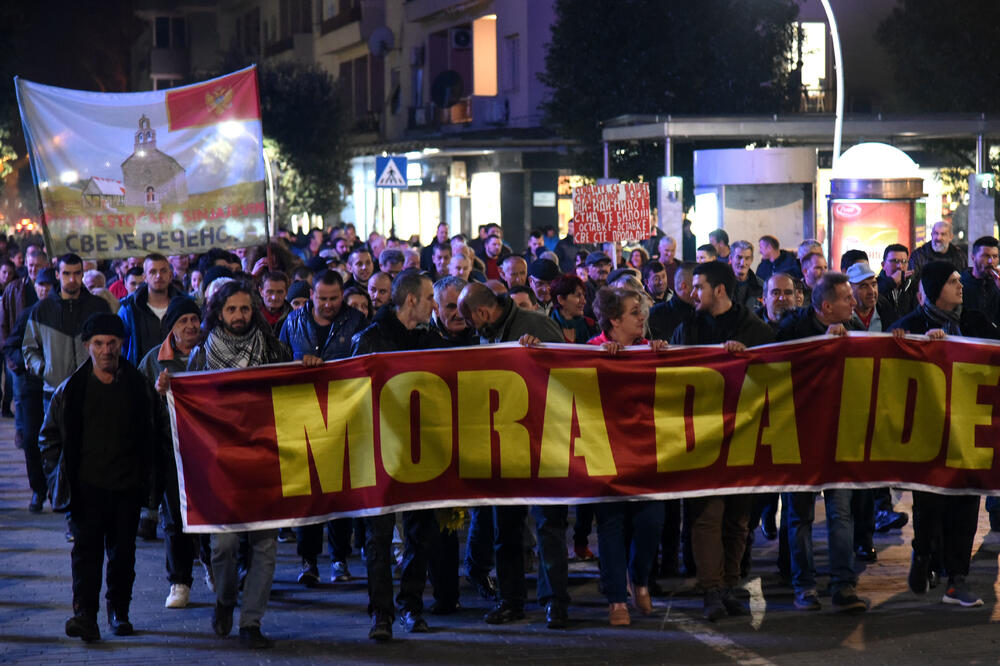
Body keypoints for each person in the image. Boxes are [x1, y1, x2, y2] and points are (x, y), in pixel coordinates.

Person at [40, 313, 168, 643]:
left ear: (121, 344)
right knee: (86, 555)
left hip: (127, 487)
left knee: (123, 555)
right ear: (87, 346)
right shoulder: (71, 390)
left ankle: (119, 611)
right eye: (99, 343)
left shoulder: (138, 387)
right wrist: (58, 478)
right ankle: (85, 615)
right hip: (86, 489)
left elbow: (157, 430)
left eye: (112, 342)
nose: (106, 349)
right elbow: (49, 438)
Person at [179, 280, 293, 648]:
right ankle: (226, 600)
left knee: (265, 545)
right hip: (221, 467)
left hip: (265, 462)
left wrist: (308, 367)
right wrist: (170, 388)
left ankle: (251, 622)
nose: (239, 315)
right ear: (218, 313)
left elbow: (293, 391)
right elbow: (188, 403)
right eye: (231, 309)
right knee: (223, 546)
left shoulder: (274, 350)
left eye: (245, 309)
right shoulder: (202, 355)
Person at [457, 282, 571, 630]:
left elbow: (569, 371)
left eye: (472, 321)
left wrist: (540, 355)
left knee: (548, 525)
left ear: (482, 312)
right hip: (505, 444)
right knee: (505, 528)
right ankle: (511, 600)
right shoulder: (492, 333)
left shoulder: (536, 326)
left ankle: (554, 603)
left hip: (543, 442)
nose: (473, 329)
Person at [670, 261, 774, 621]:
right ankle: (711, 589)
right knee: (706, 516)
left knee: (738, 519)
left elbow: (775, 376)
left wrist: (750, 359)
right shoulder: (687, 328)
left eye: (698, 286)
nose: (691, 292)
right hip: (702, 438)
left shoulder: (756, 330)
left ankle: (729, 585)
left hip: (744, 436)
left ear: (719, 290)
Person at [351, 271, 446, 641]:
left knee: (420, 533)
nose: (434, 305)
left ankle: (411, 605)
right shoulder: (370, 339)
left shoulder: (432, 340)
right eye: (429, 297)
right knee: (378, 535)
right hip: (379, 450)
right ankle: (382, 613)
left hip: (422, 451)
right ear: (411, 300)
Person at [888, 261, 989, 607]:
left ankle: (957, 579)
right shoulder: (910, 325)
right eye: (951, 281)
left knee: (966, 504)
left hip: (966, 433)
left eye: (959, 279)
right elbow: (886, 367)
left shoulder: (974, 321)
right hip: (926, 436)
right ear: (933, 290)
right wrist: (909, 344)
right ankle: (923, 555)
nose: (960, 285)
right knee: (930, 505)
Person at [776, 271, 869, 613]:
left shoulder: (854, 329)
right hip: (797, 437)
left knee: (841, 512)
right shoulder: (791, 329)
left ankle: (843, 585)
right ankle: (804, 586)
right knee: (799, 515)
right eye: (847, 298)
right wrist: (820, 345)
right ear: (827, 307)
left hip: (838, 435)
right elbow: (777, 367)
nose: (854, 302)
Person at [279, 270, 367, 588]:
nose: (328, 304)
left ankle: (339, 557)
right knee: (309, 495)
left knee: (340, 493)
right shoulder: (292, 322)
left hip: (344, 416)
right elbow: (278, 361)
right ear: (311, 295)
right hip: (303, 415)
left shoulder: (356, 321)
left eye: (334, 298)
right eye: (322, 298)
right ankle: (309, 560)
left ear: (342, 295)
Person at [588, 286, 668, 625]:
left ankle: (639, 578)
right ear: (614, 320)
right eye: (635, 312)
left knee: (651, 523)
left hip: (646, 455)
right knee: (611, 525)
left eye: (642, 311)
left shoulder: (649, 349)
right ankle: (617, 600)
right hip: (606, 452)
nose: (642, 317)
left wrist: (661, 357)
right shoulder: (589, 350)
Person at [139, 296, 209, 610]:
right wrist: (158, 393)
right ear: (171, 327)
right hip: (170, 451)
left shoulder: (212, 353)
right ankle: (179, 581)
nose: (191, 326)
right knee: (174, 519)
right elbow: (139, 406)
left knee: (210, 514)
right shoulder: (154, 360)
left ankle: (210, 563)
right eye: (183, 321)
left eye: (194, 319)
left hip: (208, 450)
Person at [4, 267, 56, 512]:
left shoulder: (61, 315)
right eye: (41, 285)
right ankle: (38, 489)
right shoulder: (28, 314)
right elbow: (11, 346)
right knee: (31, 440)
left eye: (49, 285)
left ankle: (56, 488)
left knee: (58, 440)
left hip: (57, 386)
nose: (44, 290)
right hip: (31, 387)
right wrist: (24, 363)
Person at [119, 253, 181, 366]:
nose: (158, 276)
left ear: (170, 275)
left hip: (178, 371)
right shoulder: (129, 309)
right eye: (153, 272)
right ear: (145, 277)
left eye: (163, 271)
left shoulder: (183, 305)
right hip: (139, 372)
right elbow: (120, 346)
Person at [647, 263, 695, 342]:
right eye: (697, 286)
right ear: (684, 286)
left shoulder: (702, 313)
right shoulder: (655, 315)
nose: (661, 282)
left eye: (663, 276)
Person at [959, 235, 1000, 324]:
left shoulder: (997, 284)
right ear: (973, 257)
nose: (991, 261)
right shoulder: (960, 284)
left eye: (995, 256)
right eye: (986, 256)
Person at [549, 274, 599, 343]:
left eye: (584, 296)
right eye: (578, 296)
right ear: (561, 299)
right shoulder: (547, 327)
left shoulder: (591, 325)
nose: (584, 301)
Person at [877, 243, 918, 318]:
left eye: (904, 261)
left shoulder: (915, 285)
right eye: (895, 261)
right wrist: (891, 282)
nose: (900, 266)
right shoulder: (876, 284)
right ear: (883, 265)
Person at [729, 240, 763, 309]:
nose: (742, 263)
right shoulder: (720, 284)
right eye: (739, 257)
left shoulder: (761, 286)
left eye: (747, 258)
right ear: (731, 258)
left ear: (751, 260)